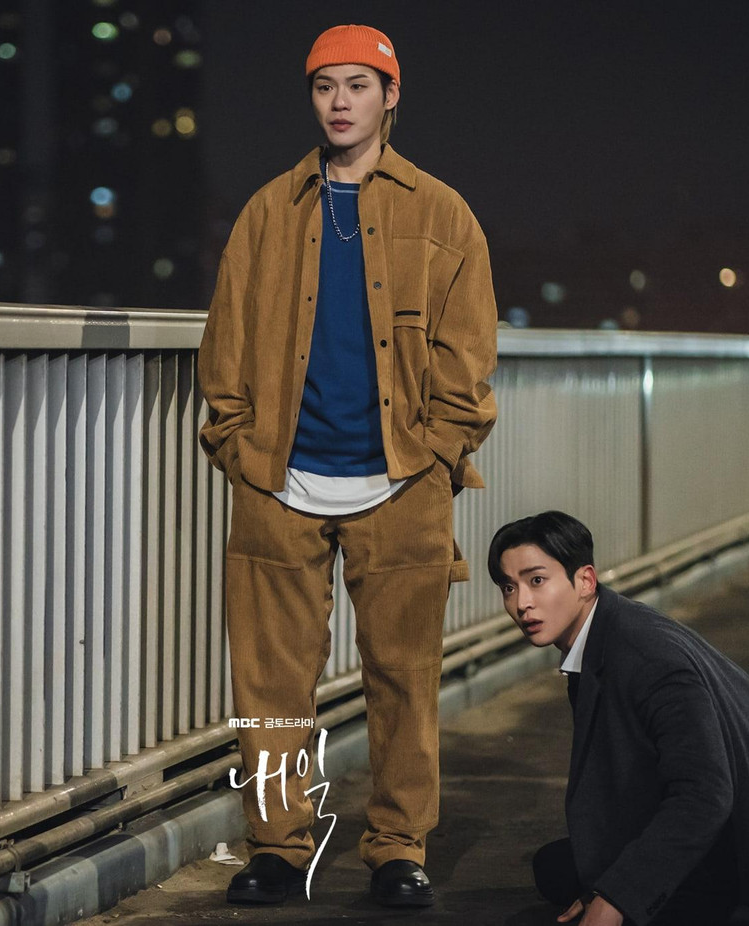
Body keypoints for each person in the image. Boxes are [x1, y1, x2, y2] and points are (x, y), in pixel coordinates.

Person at [197, 22, 498, 908]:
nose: (339, 102)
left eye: (358, 85)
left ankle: (398, 850)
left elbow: (469, 355)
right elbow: (225, 345)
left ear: (390, 96)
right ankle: (276, 848)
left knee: (404, 680)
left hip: (401, 482)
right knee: (270, 686)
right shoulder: (268, 211)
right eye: (325, 85)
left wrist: (437, 454)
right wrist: (237, 446)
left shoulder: (442, 213)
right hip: (277, 481)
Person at [487, 511, 749, 926]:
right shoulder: (606, 633)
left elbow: (704, 795)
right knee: (560, 865)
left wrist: (615, 899)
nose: (521, 603)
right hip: (747, 827)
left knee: (589, 879)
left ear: (585, 581)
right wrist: (608, 885)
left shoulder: (645, 658)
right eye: (509, 587)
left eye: (536, 580)